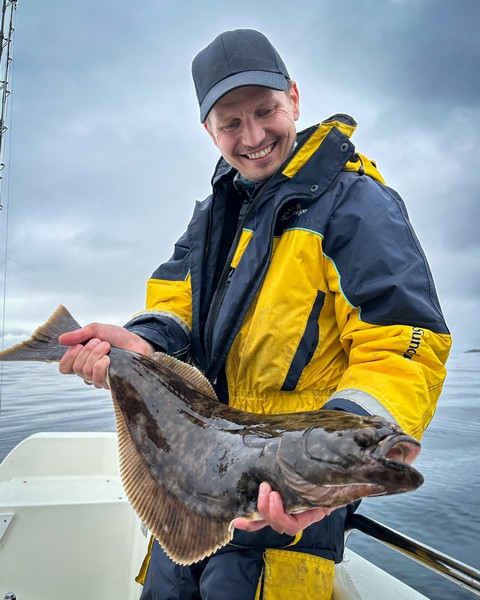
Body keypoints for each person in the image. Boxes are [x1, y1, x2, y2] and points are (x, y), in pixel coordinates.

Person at [58, 29, 452, 600]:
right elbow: (175, 302)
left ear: (293, 96)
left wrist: (329, 462)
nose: (254, 136)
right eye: (230, 123)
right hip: (194, 478)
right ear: (208, 131)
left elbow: (404, 344)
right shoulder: (213, 214)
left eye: (265, 111)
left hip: (284, 509)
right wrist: (141, 347)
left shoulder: (357, 205)